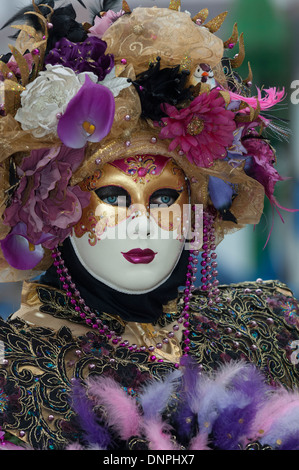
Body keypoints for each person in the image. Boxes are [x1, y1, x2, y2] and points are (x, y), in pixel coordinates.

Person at [0, 0, 298, 451]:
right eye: (114, 198)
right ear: (52, 208)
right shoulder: (13, 365)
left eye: (163, 199)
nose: (142, 226)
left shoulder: (269, 320)